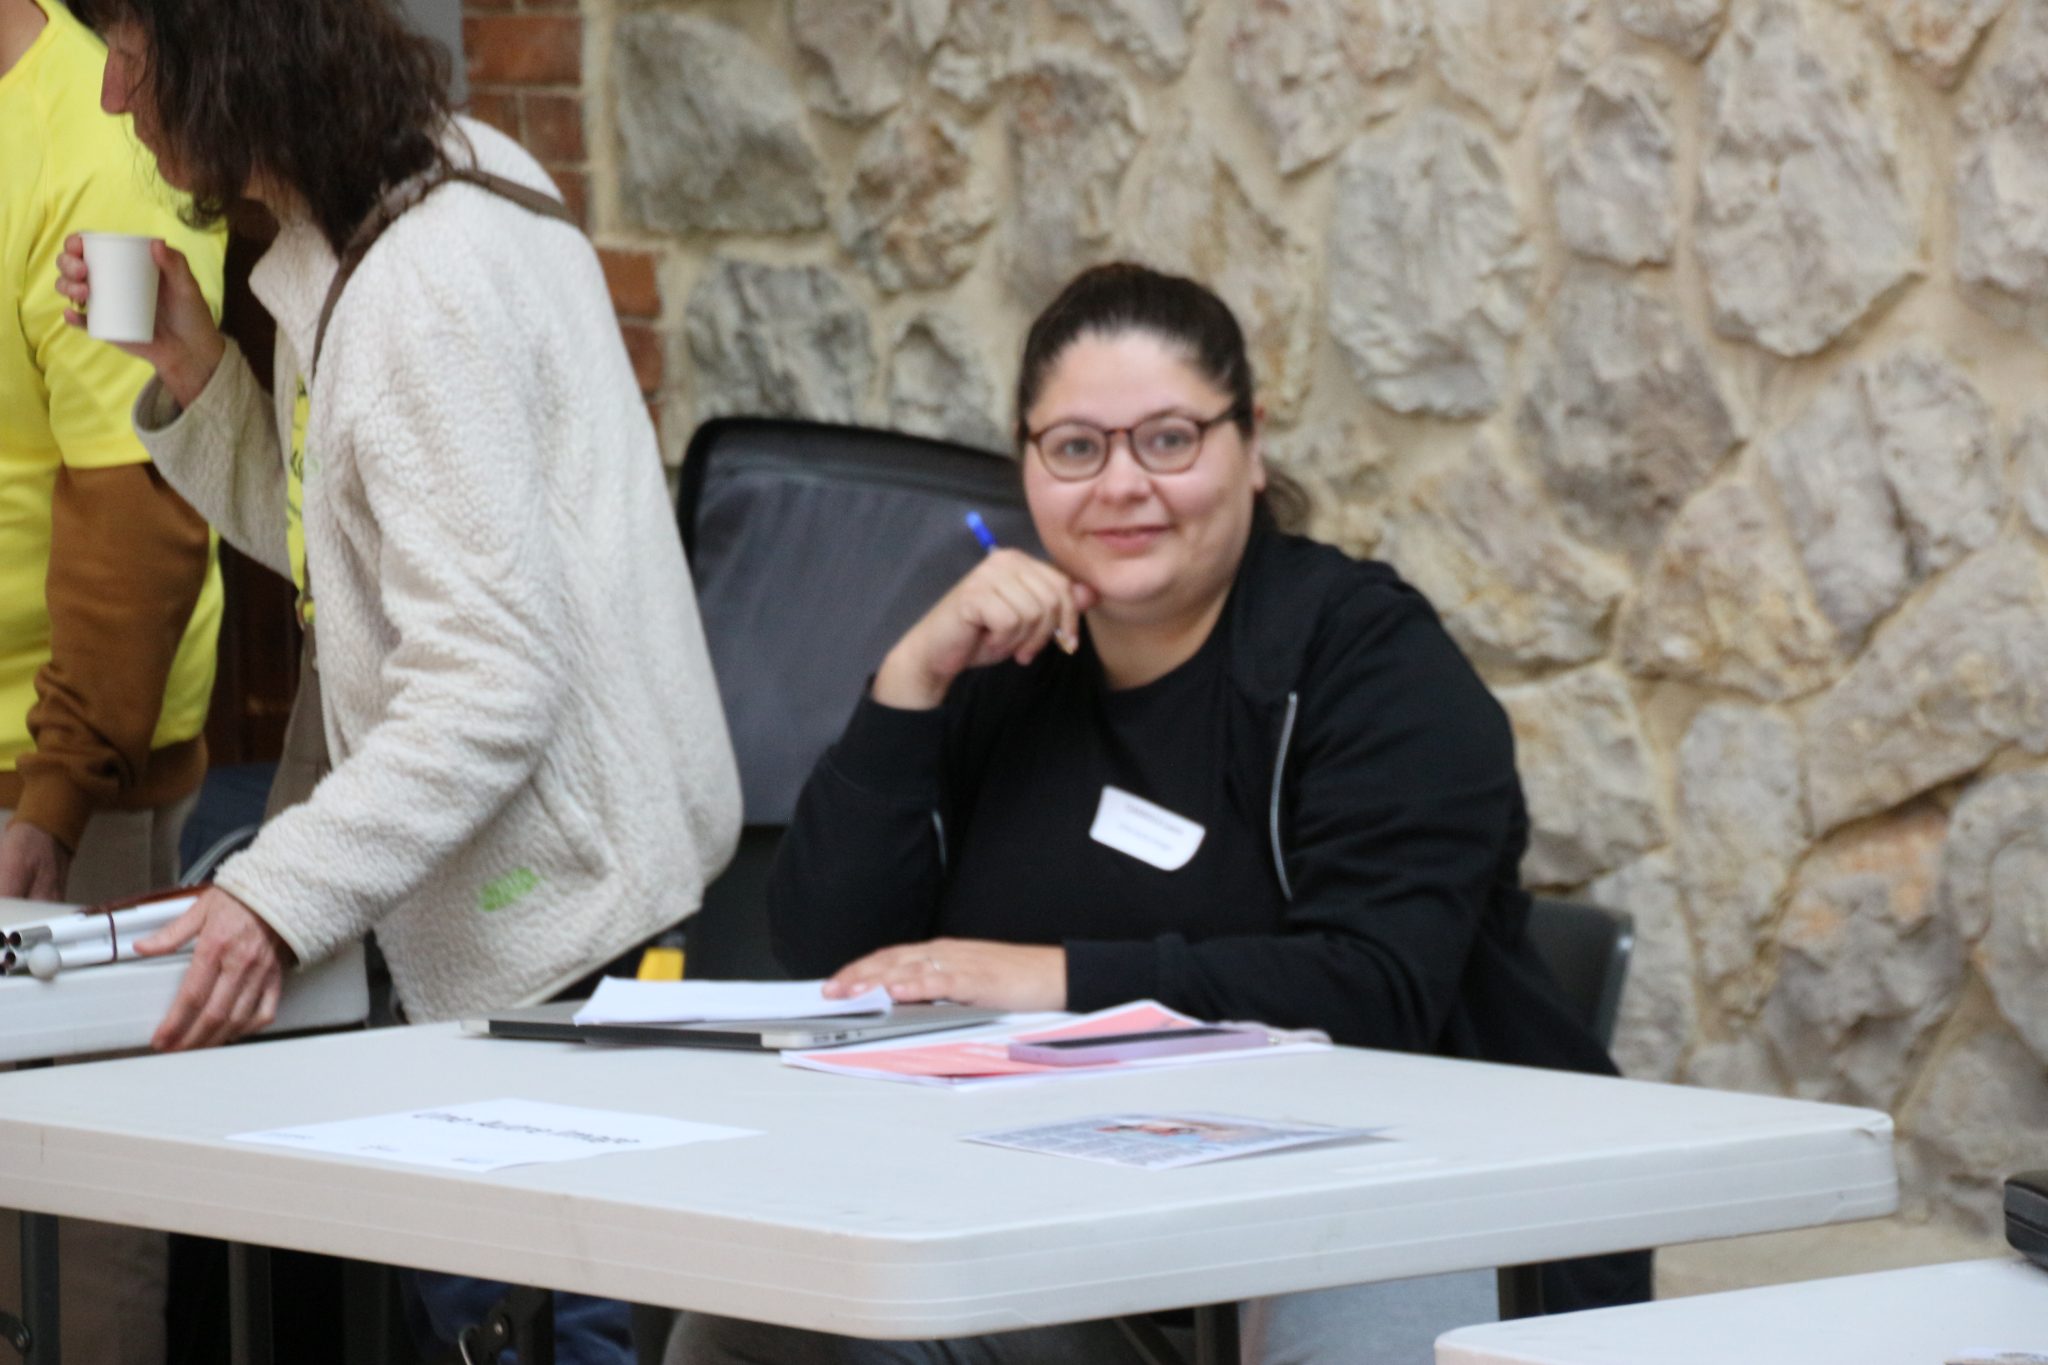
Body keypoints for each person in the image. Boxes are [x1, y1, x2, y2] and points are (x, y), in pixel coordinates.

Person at [670, 263, 1650, 1365]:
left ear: (1250, 444)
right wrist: (909, 679)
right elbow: (835, 960)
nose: (1121, 485)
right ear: (1027, 463)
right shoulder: (1008, 672)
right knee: (762, 1312)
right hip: (1064, 1224)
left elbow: (1371, 988)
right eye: (1076, 447)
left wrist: (1051, 979)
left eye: (1169, 440)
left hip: (1366, 1228)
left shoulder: (1366, 661)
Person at [53, 0, 741, 1358]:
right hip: (585, 894)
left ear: (231, 50)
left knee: (536, 1336)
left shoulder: (419, 284)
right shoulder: (446, 177)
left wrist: (270, 897)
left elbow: (486, 683)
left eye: (134, 49)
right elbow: (357, 546)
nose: (118, 93)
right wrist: (196, 372)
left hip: (564, 928)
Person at [0, 1, 224, 1360]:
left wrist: (54, 794)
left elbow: (141, 508)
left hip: (54, 774)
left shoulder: (99, 140)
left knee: (67, 1238)